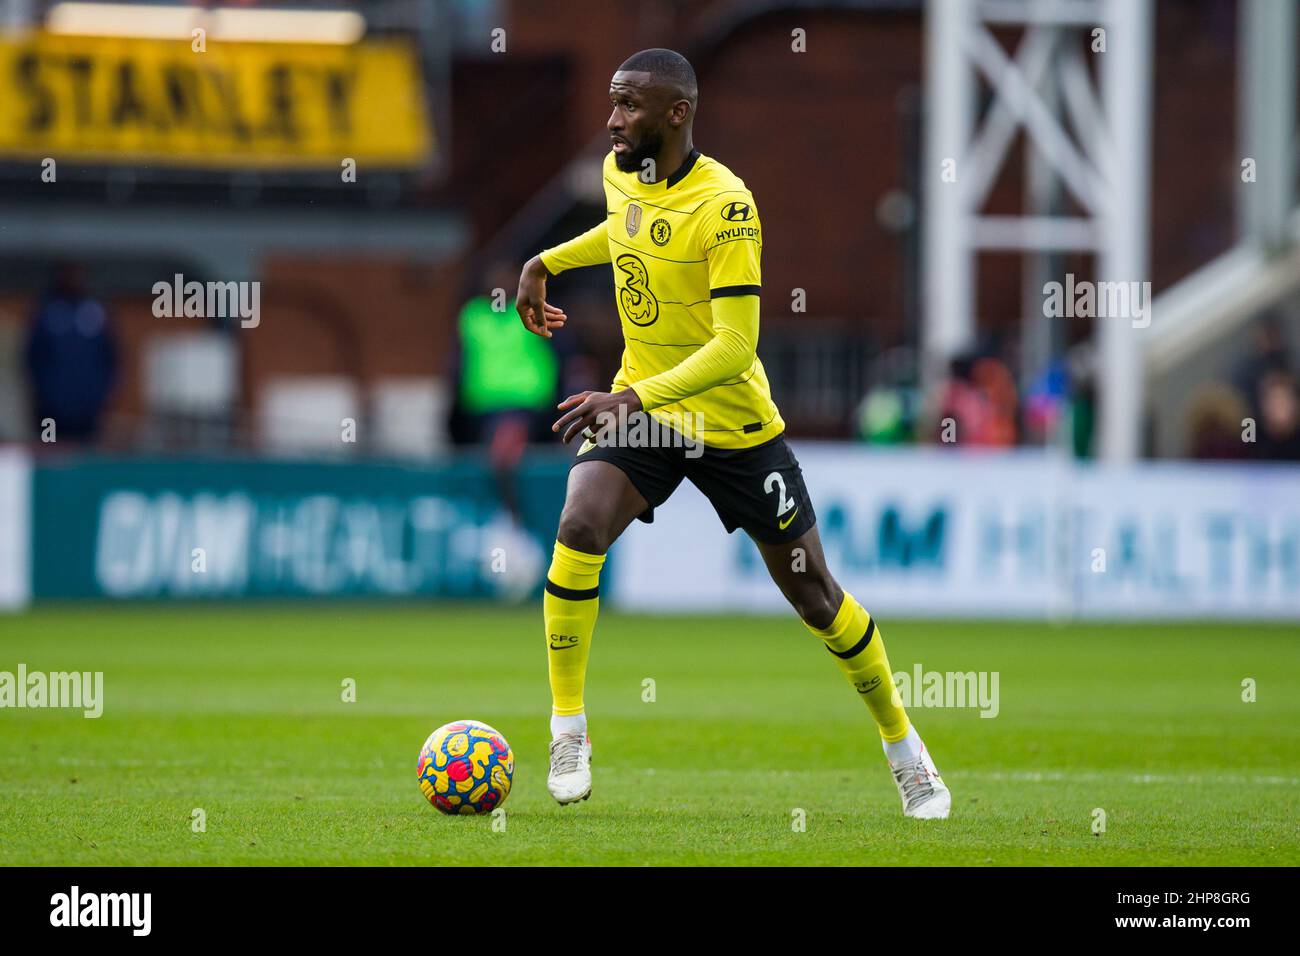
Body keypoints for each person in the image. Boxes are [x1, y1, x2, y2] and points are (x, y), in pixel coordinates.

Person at [515, 49, 949, 819]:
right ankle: (568, 727)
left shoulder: (728, 206)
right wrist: (544, 259)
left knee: (815, 596)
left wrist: (635, 395)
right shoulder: (623, 173)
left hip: (733, 425)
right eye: (612, 103)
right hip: (648, 416)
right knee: (580, 520)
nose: (612, 120)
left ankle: (903, 747)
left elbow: (734, 348)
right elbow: (624, 235)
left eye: (629, 106)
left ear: (676, 113)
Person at [24, 263, 117, 444]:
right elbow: (32, 357)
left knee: (87, 459)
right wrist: (44, 394)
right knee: (49, 452)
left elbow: (112, 358)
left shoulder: (96, 311)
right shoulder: (45, 311)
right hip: (50, 410)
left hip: (89, 410)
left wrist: (101, 396)